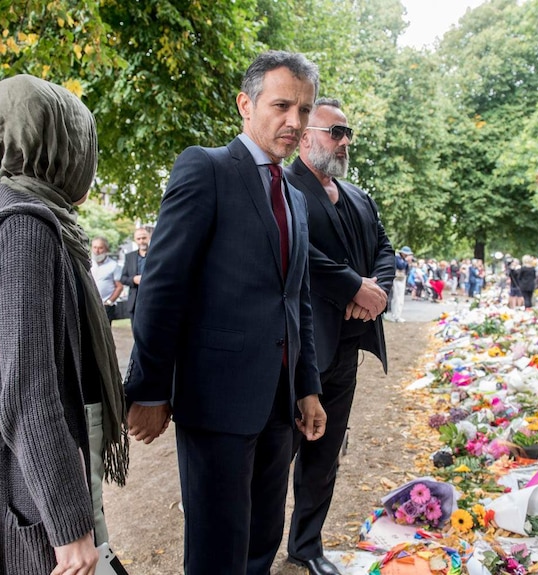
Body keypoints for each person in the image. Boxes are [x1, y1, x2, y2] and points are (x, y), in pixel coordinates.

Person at [124, 50, 326, 575]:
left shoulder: (296, 198)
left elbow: (296, 299)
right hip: (216, 402)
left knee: (261, 541)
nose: (294, 121)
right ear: (245, 104)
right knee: (217, 549)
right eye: (281, 105)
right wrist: (149, 389)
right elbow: (163, 286)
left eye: (303, 110)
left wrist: (307, 387)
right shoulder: (206, 168)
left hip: (278, 406)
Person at [0, 74, 129, 573]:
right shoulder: (27, 229)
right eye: (82, 141)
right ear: (59, 145)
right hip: (27, 487)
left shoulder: (13, 211)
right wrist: (71, 529)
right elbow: (27, 390)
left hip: (22, 475)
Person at [284, 98, 394, 575]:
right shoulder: (283, 187)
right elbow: (298, 254)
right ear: (306, 135)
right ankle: (253, 550)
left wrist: (378, 293)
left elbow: (385, 248)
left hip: (348, 348)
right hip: (299, 349)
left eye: (348, 132)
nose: (345, 141)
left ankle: (306, 546)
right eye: (335, 131)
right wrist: (354, 286)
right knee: (278, 456)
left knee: (325, 453)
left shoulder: (358, 196)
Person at [119, 227, 150, 337]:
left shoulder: (156, 254)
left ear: (149, 237)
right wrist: (134, 279)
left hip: (152, 299)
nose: (142, 241)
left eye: (144, 238)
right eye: (139, 238)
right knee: (137, 334)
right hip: (135, 302)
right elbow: (123, 278)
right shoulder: (130, 257)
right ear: (135, 240)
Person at [91, 236, 123, 323]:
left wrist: (109, 301)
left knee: (105, 333)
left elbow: (119, 286)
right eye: (95, 247)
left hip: (106, 306)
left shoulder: (113, 265)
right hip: (90, 304)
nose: (97, 251)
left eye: (100, 248)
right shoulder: (87, 263)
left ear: (106, 249)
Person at [388, 247, 412, 321]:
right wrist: (406, 262)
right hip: (397, 279)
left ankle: (398, 315)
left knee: (400, 298)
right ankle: (394, 316)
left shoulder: (402, 259)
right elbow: (401, 266)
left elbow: (407, 270)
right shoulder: (397, 258)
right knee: (396, 298)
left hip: (402, 279)